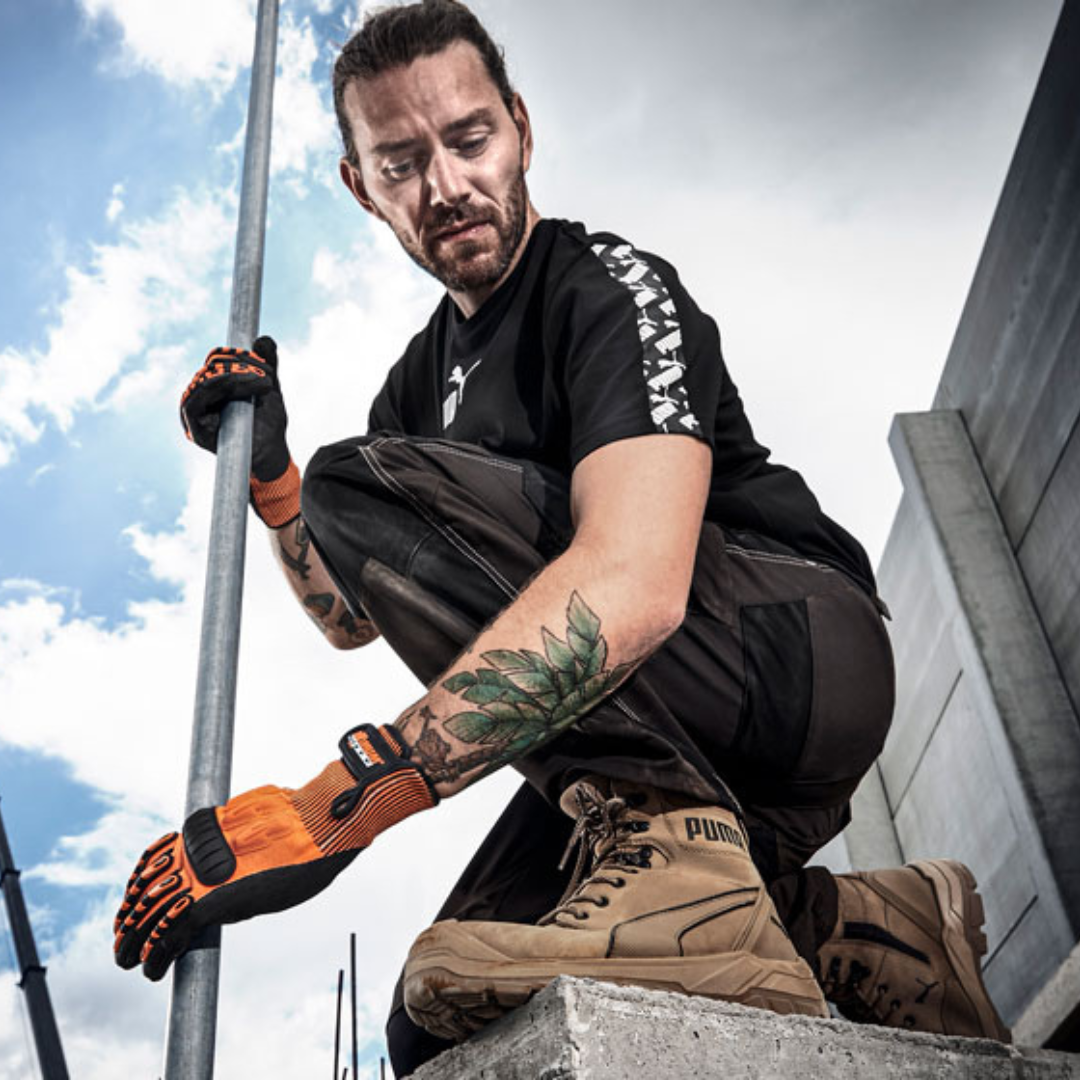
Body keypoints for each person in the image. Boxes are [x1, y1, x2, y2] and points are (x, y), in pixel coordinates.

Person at [113, 1, 1010, 1073]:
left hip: (790, 656)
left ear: (522, 129)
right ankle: (865, 938)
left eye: (470, 139)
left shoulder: (607, 287)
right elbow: (351, 616)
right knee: (434, 1021)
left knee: (362, 482)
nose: (445, 185)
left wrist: (338, 807)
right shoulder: (417, 386)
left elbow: (634, 583)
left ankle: (696, 884)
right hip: (677, 752)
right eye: (400, 162)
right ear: (361, 186)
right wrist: (274, 481)